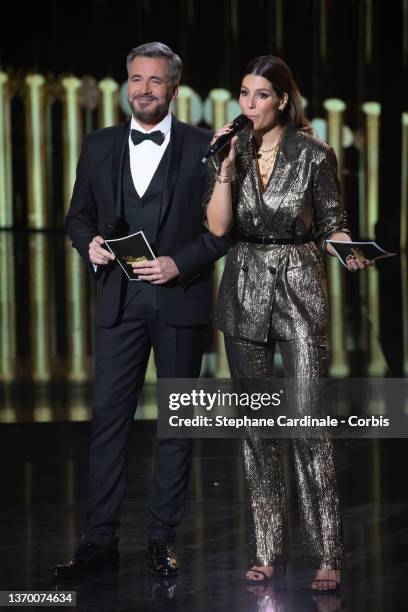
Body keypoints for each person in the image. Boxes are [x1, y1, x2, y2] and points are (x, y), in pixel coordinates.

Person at [52, 42, 229, 579]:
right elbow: (77, 217)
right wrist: (90, 245)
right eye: (135, 79)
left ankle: (161, 540)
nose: (143, 89)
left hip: (179, 302)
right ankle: (98, 543)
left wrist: (180, 263)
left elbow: (221, 232)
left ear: (173, 87)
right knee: (109, 423)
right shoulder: (100, 143)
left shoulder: (205, 146)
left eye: (154, 81)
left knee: (176, 425)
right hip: (119, 303)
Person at [205, 55, 371, 592]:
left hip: (299, 287)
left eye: (259, 95)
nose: (248, 104)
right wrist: (226, 166)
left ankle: (328, 554)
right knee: (257, 431)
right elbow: (220, 226)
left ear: (281, 100)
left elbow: (333, 223)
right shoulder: (232, 148)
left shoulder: (314, 154)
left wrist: (350, 251)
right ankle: (267, 549)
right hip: (245, 285)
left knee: (307, 425)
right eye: (243, 94)